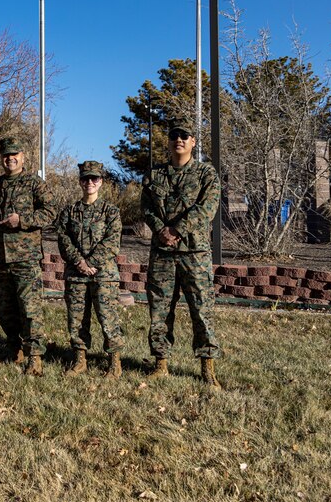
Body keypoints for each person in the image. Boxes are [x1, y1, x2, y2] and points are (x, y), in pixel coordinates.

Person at [141, 118, 223, 389]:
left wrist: (176, 229)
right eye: (175, 135)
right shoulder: (155, 175)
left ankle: (207, 366)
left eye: (185, 136)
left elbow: (206, 208)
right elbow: (147, 209)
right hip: (162, 253)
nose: (179, 140)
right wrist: (161, 230)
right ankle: (161, 363)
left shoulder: (205, 174)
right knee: (160, 310)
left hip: (194, 253)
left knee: (201, 309)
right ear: (169, 140)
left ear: (193, 142)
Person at [0, 137, 54, 375]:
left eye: (14, 154)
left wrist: (23, 221)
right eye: (6, 155)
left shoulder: (34, 183)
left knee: (30, 309)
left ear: (23, 156)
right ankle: (14, 348)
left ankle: (34, 356)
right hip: (0, 257)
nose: (10, 158)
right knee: (5, 309)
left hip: (26, 257)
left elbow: (50, 212)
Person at [56, 160, 125, 378]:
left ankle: (114, 362)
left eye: (94, 178)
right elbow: (63, 238)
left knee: (108, 318)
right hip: (77, 274)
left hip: (103, 274)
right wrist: (80, 262)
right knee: (76, 320)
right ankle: (80, 359)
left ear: (101, 182)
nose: (89, 182)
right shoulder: (69, 211)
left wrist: (92, 262)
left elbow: (112, 242)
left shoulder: (110, 211)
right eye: (85, 178)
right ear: (80, 181)